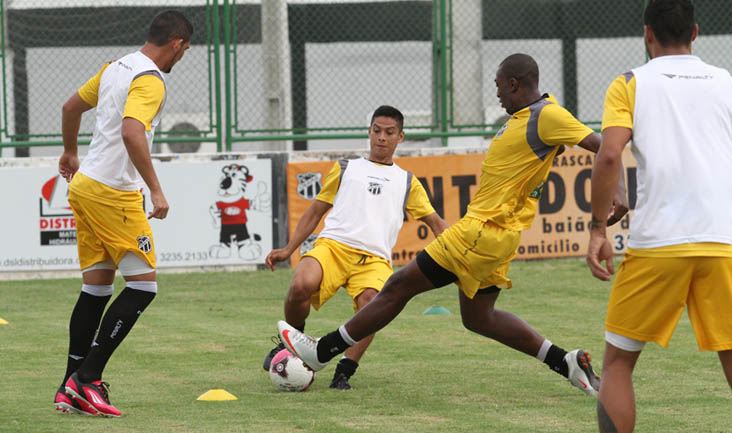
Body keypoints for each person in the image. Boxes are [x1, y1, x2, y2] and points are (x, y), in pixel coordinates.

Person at [278, 54, 629, 397]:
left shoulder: (546, 115)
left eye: (498, 87)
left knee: (398, 286)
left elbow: (605, 147)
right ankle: (565, 362)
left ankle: (322, 351)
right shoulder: (524, 118)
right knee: (479, 318)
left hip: (481, 231)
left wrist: (621, 192)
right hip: (497, 237)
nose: (496, 95)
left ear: (513, 83)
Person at [587, 1, 732, 431]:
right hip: (723, 239)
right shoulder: (726, 82)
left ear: (647, 34)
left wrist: (597, 228)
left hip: (659, 243)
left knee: (617, 365)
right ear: (696, 32)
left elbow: (609, 153)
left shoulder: (630, 82)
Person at [53, 11, 192, 417]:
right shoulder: (149, 79)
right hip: (115, 193)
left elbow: (69, 106)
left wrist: (69, 151)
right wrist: (155, 187)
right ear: (178, 45)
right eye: (183, 52)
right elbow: (132, 131)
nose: (180, 58)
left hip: (85, 187)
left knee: (96, 290)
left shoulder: (116, 67)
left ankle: (68, 387)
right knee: (142, 288)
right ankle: (88, 378)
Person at [263, 105, 448, 389]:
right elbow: (315, 211)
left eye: (389, 133)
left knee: (372, 307)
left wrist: (462, 256)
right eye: (376, 131)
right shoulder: (346, 167)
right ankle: (291, 343)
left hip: (374, 259)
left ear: (401, 137)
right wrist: (289, 249)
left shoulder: (407, 181)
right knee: (300, 284)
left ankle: (344, 370)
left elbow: (436, 224)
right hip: (334, 247)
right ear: (369, 132)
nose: (381, 138)